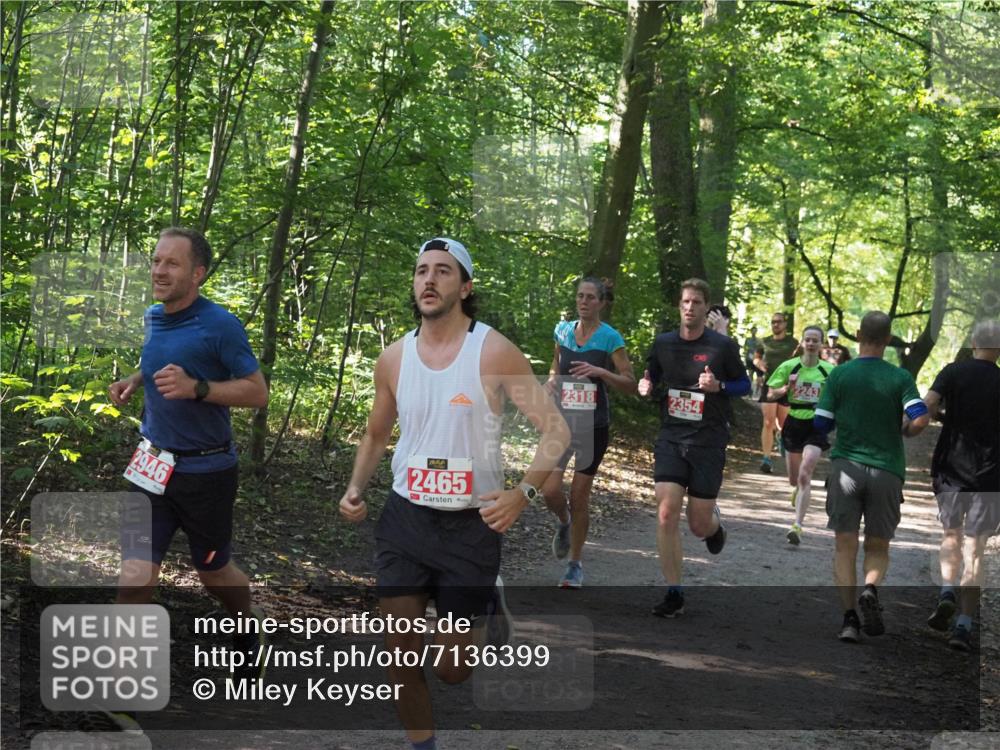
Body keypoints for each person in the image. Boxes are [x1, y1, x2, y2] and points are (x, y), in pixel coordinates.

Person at [338, 238, 570, 750]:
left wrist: (523, 493)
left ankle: (488, 600)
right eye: (421, 270)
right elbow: (377, 434)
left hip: (472, 526)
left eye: (443, 271)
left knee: (452, 671)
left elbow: (556, 430)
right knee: (399, 651)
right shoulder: (393, 358)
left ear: (464, 287)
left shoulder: (493, 350)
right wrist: (356, 487)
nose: (429, 280)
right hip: (406, 519)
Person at [109, 227, 269, 672]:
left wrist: (197, 387)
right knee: (135, 576)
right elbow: (157, 359)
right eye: (156, 261)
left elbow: (258, 393)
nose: (159, 270)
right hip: (151, 466)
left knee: (213, 573)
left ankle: (245, 623)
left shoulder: (220, 325)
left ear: (197, 273)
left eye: (171, 263)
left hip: (206, 473)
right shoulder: (153, 315)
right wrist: (134, 380)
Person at [812, 311, 929, 643]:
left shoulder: (839, 375)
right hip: (887, 471)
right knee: (878, 544)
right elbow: (920, 418)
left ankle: (849, 620)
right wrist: (904, 429)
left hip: (846, 468)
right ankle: (870, 589)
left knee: (844, 546)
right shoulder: (900, 377)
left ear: (858, 334)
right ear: (889, 339)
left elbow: (821, 422)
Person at [638, 279, 750, 617]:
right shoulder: (663, 343)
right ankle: (675, 591)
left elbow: (743, 385)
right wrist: (646, 384)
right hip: (672, 437)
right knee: (666, 511)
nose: (690, 307)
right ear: (679, 305)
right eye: (685, 301)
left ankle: (714, 525)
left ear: (706, 308)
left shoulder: (722, 346)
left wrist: (719, 385)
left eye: (697, 302)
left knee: (698, 526)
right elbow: (651, 376)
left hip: (708, 440)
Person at [543, 277, 637, 588]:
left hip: (593, 427)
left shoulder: (611, 338)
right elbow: (556, 363)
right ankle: (564, 522)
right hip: (561, 423)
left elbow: (629, 382)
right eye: (579, 296)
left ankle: (574, 565)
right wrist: (552, 380)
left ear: (601, 302)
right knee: (550, 490)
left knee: (579, 495)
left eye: (589, 297)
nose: (583, 302)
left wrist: (601, 372)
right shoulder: (563, 331)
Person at [923, 320, 1000, 652]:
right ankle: (964, 627)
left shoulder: (953, 372)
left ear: (973, 342)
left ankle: (946, 592)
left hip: (952, 468)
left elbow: (926, 405)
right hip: (992, 474)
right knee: (977, 547)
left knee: (951, 535)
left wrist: (913, 424)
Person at [765, 326, 834, 545]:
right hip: (793, 422)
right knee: (795, 479)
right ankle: (797, 489)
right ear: (802, 343)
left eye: (816, 340)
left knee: (807, 472)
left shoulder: (829, 371)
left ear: (821, 344)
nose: (812, 343)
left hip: (816, 423)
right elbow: (770, 393)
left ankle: (797, 525)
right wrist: (786, 388)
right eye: (808, 340)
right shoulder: (789, 366)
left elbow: (839, 396)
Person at [758, 312, 799, 473]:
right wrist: (759, 364)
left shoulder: (793, 343)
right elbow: (756, 358)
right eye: (773, 322)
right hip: (769, 385)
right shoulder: (765, 341)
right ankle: (766, 459)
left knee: (783, 424)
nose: (775, 324)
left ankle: (781, 437)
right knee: (768, 422)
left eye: (779, 322)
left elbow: (800, 361)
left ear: (785, 324)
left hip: (786, 387)